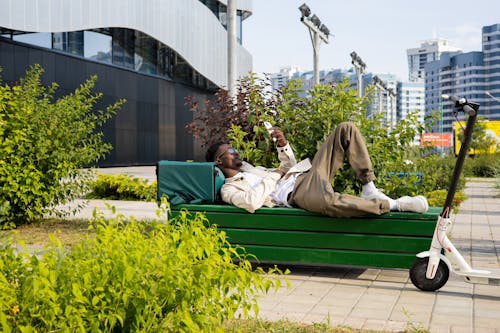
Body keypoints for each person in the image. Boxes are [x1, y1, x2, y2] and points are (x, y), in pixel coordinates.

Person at [205, 121, 428, 218]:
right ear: (218, 161)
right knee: (330, 202)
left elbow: (287, 167)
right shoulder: (229, 189)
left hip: (305, 176)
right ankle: (396, 204)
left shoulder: (253, 169)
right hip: (298, 195)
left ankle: (369, 187)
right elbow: (252, 202)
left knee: (345, 129)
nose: (235, 152)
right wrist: (274, 175)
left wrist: (283, 146)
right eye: (230, 150)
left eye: (234, 149)